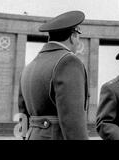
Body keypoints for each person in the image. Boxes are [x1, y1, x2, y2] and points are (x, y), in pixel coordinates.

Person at [18, 10, 89, 140]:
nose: (78, 42)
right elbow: (73, 121)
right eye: (78, 37)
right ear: (73, 36)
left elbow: (22, 116)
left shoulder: (28, 67)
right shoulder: (68, 61)